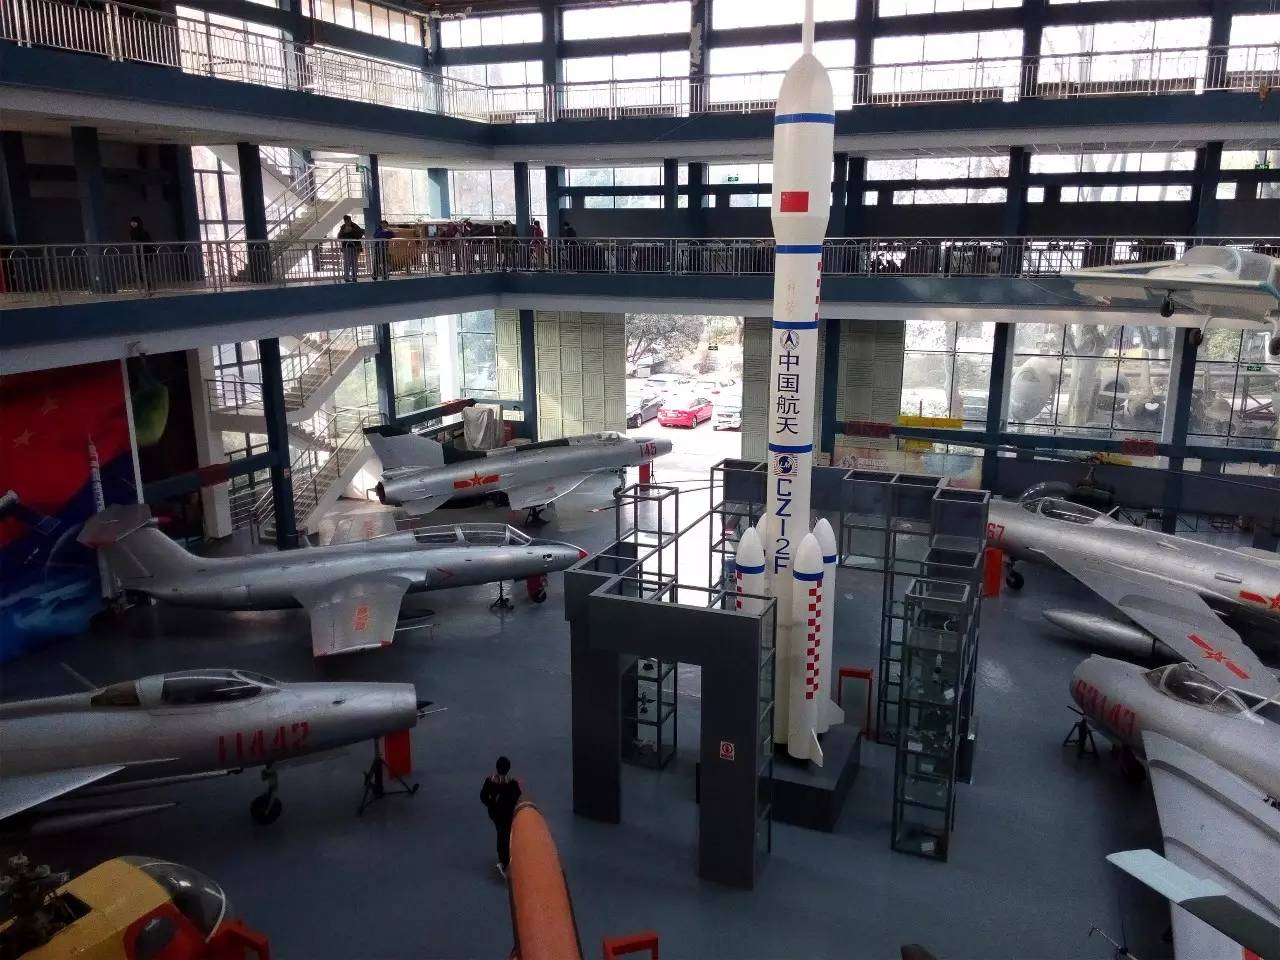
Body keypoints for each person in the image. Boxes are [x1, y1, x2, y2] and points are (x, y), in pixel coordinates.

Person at [479, 756, 522, 879]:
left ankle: (502, 859)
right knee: (505, 834)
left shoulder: (489, 781)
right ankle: (504, 861)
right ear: (508, 769)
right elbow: (518, 794)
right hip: (507, 814)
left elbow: (483, 796)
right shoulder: (512, 783)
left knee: (501, 832)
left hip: (495, 813)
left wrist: (491, 804)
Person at [128, 215, 153, 292]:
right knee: (138, 271)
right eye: (132, 222)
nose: (132, 223)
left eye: (134, 222)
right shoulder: (132, 231)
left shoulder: (143, 231)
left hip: (144, 253)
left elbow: (147, 242)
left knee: (143, 270)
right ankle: (146, 286)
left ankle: (147, 287)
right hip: (138, 254)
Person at [337, 215, 364, 282]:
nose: (347, 222)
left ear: (350, 220)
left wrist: (351, 230)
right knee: (347, 262)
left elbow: (359, 235)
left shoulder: (355, 226)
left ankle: (354, 277)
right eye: (346, 221)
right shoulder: (343, 227)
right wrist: (344, 232)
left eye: (348, 220)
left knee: (354, 262)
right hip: (346, 248)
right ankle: (347, 277)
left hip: (355, 247)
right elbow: (339, 237)